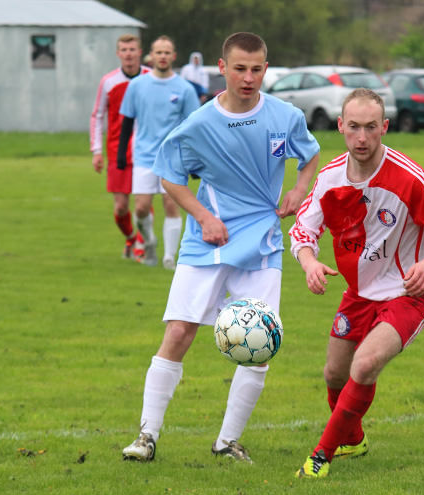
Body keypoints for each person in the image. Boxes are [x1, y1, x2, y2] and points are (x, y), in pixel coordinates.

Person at [121, 32, 321, 463]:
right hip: (208, 242)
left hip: (262, 242)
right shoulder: (198, 125)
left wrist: (300, 189)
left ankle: (227, 442)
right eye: (240, 68)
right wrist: (204, 216)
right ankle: (146, 436)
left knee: (261, 342)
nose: (248, 78)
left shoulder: (286, 117)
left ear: (265, 69)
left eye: (256, 69)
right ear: (222, 68)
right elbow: (170, 177)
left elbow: (308, 158)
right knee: (178, 331)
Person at [289, 88, 424, 478]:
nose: (362, 138)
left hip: (410, 292)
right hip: (359, 292)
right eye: (353, 127)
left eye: (371, 127)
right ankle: (354, 441)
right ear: (340, 126)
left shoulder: (409, 177)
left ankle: (321, 455)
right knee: (334, 374)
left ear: (384, 127)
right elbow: (302, 231)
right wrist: (309, 264)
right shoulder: (330, 177)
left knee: (366, 363)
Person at [117, 36, 200, 270]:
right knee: (141, 207)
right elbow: (127, 120)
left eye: (167, 52)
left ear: (173, 56)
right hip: (143, 155)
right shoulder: (137, 86)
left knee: (170, 204)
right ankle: (150, 242)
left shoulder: (184, 89)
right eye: (158, 52)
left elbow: (193, 128)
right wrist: (122, 153)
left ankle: (169, 257)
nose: (162, 56)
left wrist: (193, 163)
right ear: (151, 56)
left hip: (172, 157)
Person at [89, 34, 150, 259]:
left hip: (146, 149)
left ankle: (143, 245)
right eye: (124, 50)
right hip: (118, 150)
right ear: (118, 54)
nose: (128, 54)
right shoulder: (109, 81)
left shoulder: (150, 78)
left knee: (143, 203)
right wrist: (96, 150)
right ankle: (131, 237)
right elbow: (97, 115)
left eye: (132, 49)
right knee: (121, 207)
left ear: (139, 52)